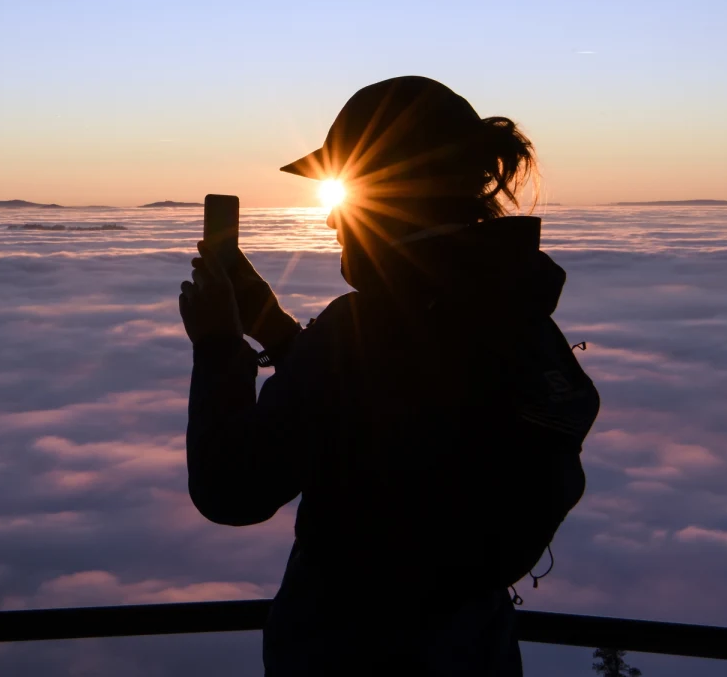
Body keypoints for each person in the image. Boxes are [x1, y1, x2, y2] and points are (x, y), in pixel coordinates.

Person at [178, 76, 600, 676]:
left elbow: (231, 490)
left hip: (354, 654)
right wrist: (275, 330)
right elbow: (386, 406)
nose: (332, 220)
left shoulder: (365, 331)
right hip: (474, 650)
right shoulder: (517, 316)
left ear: (394, 197)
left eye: (347, 194)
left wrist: (218, 344)